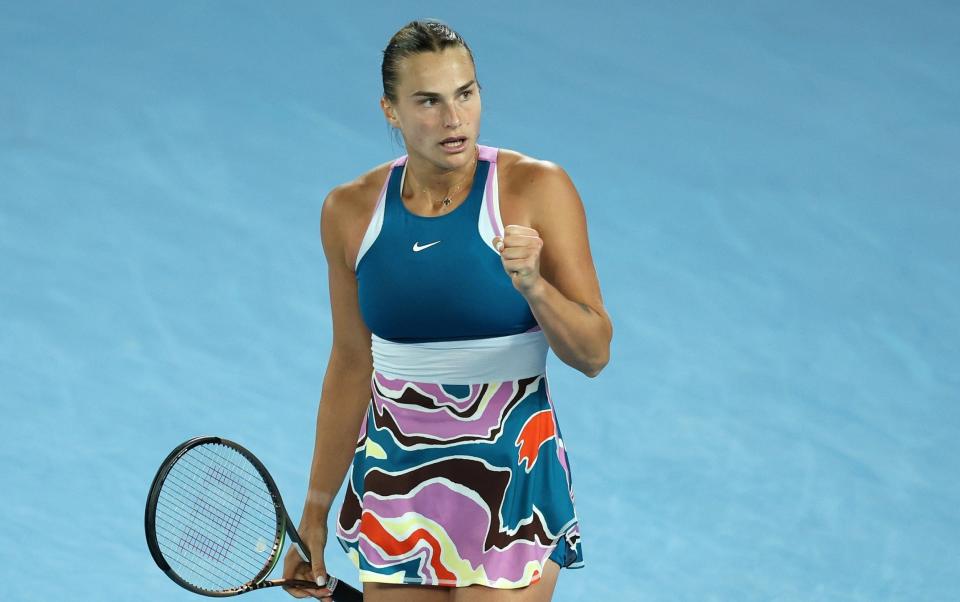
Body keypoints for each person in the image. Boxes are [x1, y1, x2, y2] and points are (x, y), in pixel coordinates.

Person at [282, 19, 612, 602]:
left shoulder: (536, 189)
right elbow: (352, 363)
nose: (454, 119)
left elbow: (594, 353)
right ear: (391, 109)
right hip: (395, 478)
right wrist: (314, 510)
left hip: (510, 474)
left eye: (465, 93)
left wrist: (535, 286)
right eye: (428, 102)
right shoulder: (350, 212)